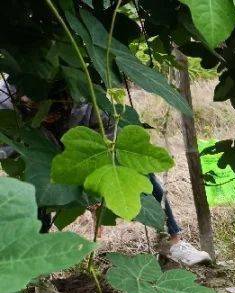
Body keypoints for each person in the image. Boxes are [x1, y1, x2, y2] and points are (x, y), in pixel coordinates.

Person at [0, 79, 209, 265]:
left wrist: (97, 185)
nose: (47, 115)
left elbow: (111, 136)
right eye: (37, 109)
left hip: (88, 154)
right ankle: (32, 267)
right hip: (38, 158)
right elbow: (8, 152)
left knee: (141, 174)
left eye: (54, 109)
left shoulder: (84, 92)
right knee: (33, 195)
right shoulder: (5, 103)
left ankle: (172, 241)